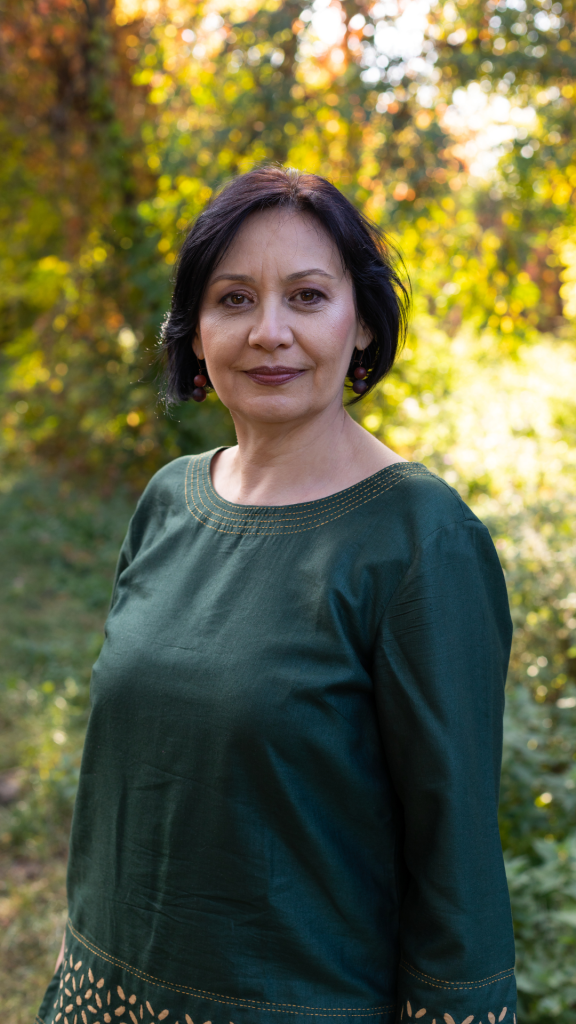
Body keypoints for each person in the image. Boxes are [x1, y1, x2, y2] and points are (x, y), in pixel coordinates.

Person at [36, 167, 516, 1024]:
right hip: (103, 997)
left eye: (306, 296)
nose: (269, 333)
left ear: (361, 322)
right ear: (194, 333)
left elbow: (457, 866)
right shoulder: (168, 502)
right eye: (233, 300)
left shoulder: (420, 540)